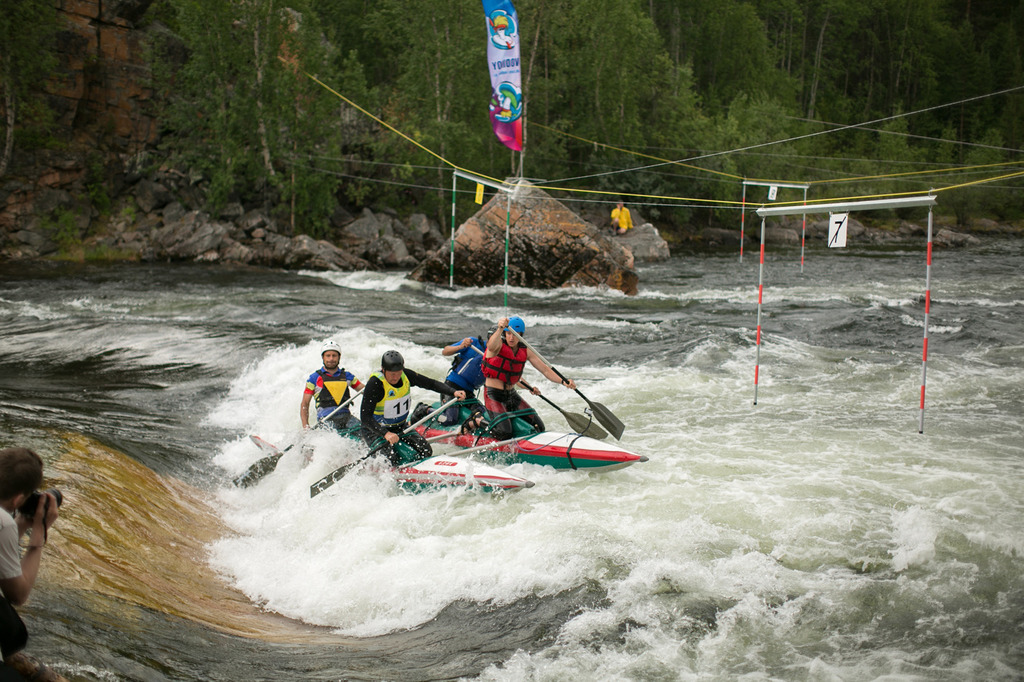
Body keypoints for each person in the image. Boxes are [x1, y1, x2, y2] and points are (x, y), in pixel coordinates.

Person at [0, 448, 59, 677]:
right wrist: (38, 537)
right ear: (17, 499)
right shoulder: (3, 521)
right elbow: (18, 594)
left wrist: (22, 522)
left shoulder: (5, 523)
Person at [360, 350, 467, 466]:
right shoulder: (375, 384)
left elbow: (430, 383)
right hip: (376, 431)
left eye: (398, 372)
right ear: (383, 369)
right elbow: (365, 417)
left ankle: (413, 472)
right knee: (390, 459)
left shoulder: (406, 375)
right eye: (392, 373)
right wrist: (386, 434)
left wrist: (453, 391)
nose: (395, 377)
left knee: (426, 451)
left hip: (400, 427)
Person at [482, 316, 577, 439]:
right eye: (508, 334)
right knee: (504, 432)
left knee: (538, 426)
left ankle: (520, 441)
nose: (511, 338)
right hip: (493, 395)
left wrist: (563, 381)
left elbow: (545, 370)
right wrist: (500, 328)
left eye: (515, 334)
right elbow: (491, 347)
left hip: (511, 395)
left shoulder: (525, 350)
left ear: (521, 335)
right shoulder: (498, 345)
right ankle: (478, 421)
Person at [300, 339, 364, 431]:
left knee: (365, 432)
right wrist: (306, 427)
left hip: (346, 418)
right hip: (326, 419)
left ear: (339, 357)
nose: (331, 359)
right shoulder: (314, 378)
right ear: (323, 357)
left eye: (334, 356)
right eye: (328, 356)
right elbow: (305, 404)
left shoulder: (348, 376)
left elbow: (366, 391)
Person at [436, 330, 491, 425]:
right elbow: (445, 351)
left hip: (468, 393)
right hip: (452, 387)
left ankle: (468, 426)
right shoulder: (473, 343)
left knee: (482, 413)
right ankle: (425, 410)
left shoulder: (499, 358)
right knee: (450, 420)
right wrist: (461, 346)